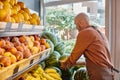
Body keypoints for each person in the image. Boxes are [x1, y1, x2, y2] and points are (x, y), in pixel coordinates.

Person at [60, 13, 114, 80]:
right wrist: (78, 63)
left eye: (76, 24)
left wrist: (65, 64)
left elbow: (74, 55)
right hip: (108, 72)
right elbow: (97, 57)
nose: (76, 27)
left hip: (99, 74)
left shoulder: (85, 32)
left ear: (81, 22)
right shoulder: (97, 31)